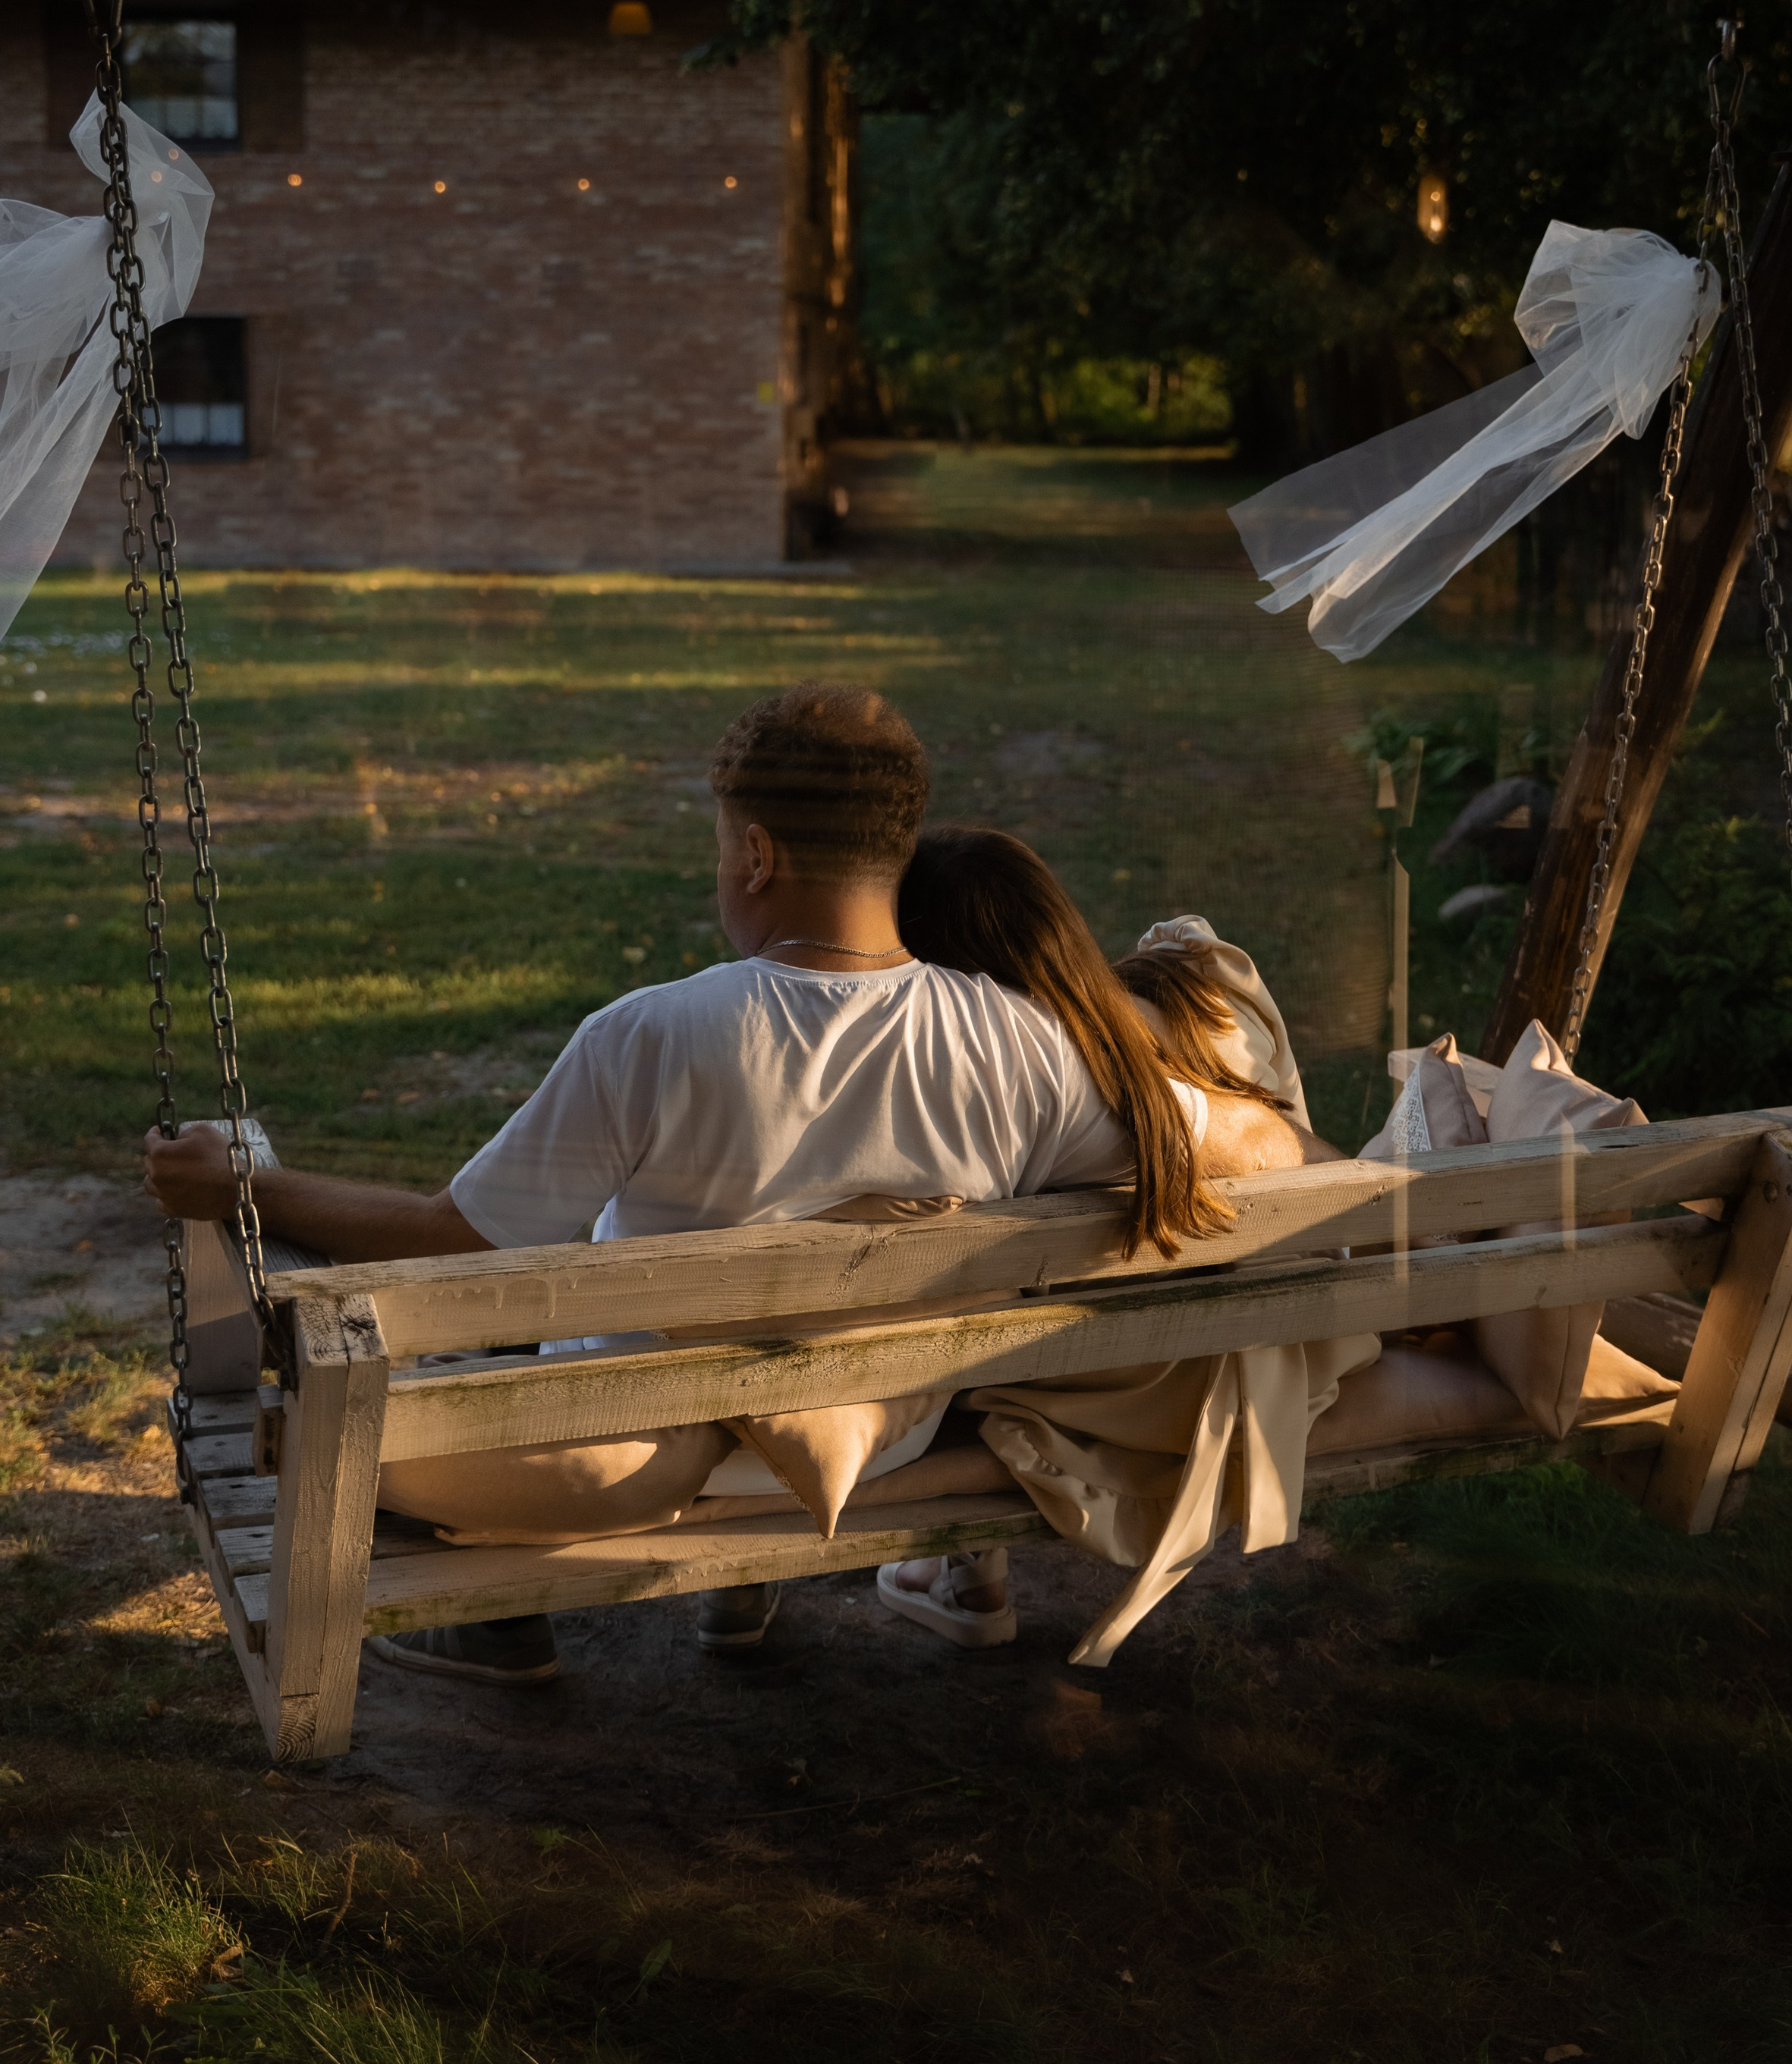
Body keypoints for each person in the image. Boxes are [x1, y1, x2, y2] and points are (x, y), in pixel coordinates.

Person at [143, 685, 1239, 1688]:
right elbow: (1181, 1155)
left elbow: (458, 1238)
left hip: (632, 1449)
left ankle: (494, 1623)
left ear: (756, 854)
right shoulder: (1029, 1042)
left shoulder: (651, 1036)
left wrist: (250, 1187)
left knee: (372, 1403)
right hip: (878, 1437)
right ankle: (734, 1588)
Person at [878, 826, 1341, 1647]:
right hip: (1275, 1343)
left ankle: (967, 1576)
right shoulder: (1198, 992)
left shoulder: (999, 1088)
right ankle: (967, 1577)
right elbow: (1321, 1174)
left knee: (949, 1336)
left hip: (1115, 1388)